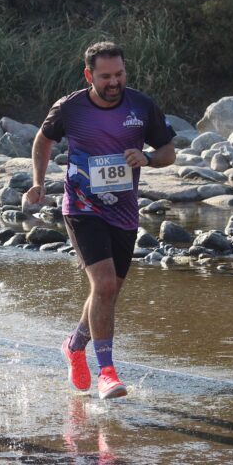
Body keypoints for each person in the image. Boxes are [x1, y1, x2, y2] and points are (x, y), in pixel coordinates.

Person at [25, 41, 175, 400]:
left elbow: (168, 153)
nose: (114, 82)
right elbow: (42, 142)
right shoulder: (70, 108)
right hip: (81, 207)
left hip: (123, 212)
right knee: (104, 285)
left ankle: (75, 345)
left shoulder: (141, 105)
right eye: (105, 76)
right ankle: (107, 371)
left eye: (119, 74)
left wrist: (147, 159)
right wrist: (37, 182)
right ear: (89, 75)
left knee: (107, 292)